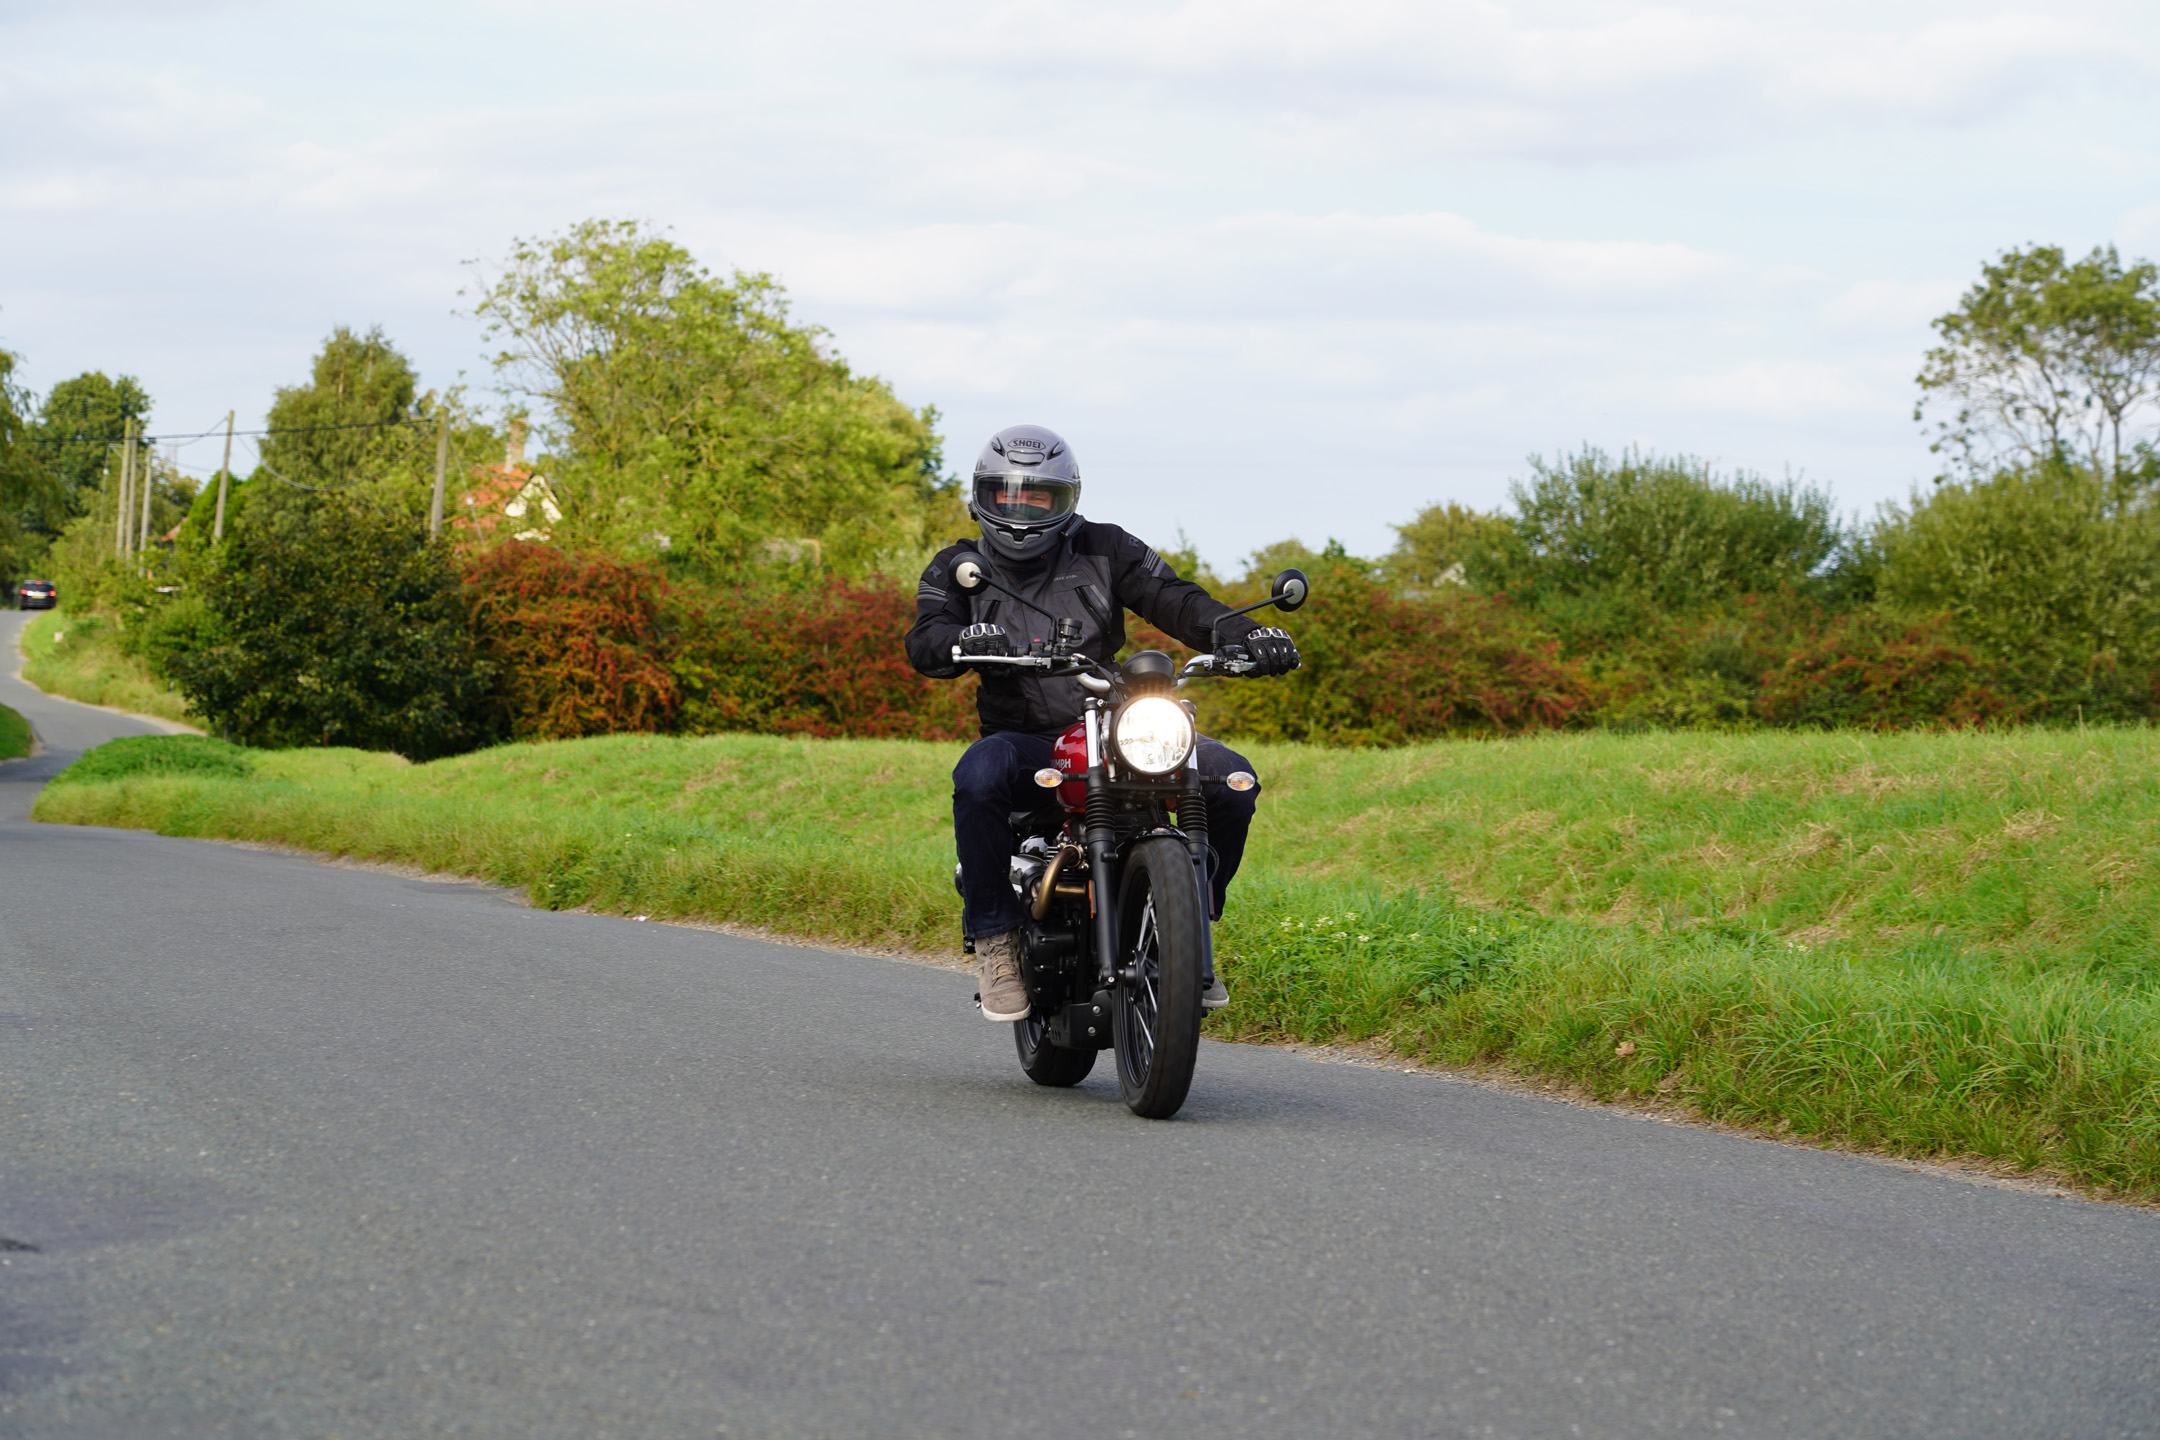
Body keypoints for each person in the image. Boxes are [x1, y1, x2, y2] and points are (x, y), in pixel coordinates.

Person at [905, 424, 1300, 1023]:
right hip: (1028, 739)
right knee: (978, 776)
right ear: (983, 497)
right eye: (1008, 495)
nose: (1021, 508)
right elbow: (926, 639)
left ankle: (1188, 924)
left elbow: (1178, 599)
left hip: (1116, 727)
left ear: (1068, 500)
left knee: (1232, 781)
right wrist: (963, 637)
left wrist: (1250, 635)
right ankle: (994, 939)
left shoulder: (1107, 547)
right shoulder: (958, 566)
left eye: (1039, 497)